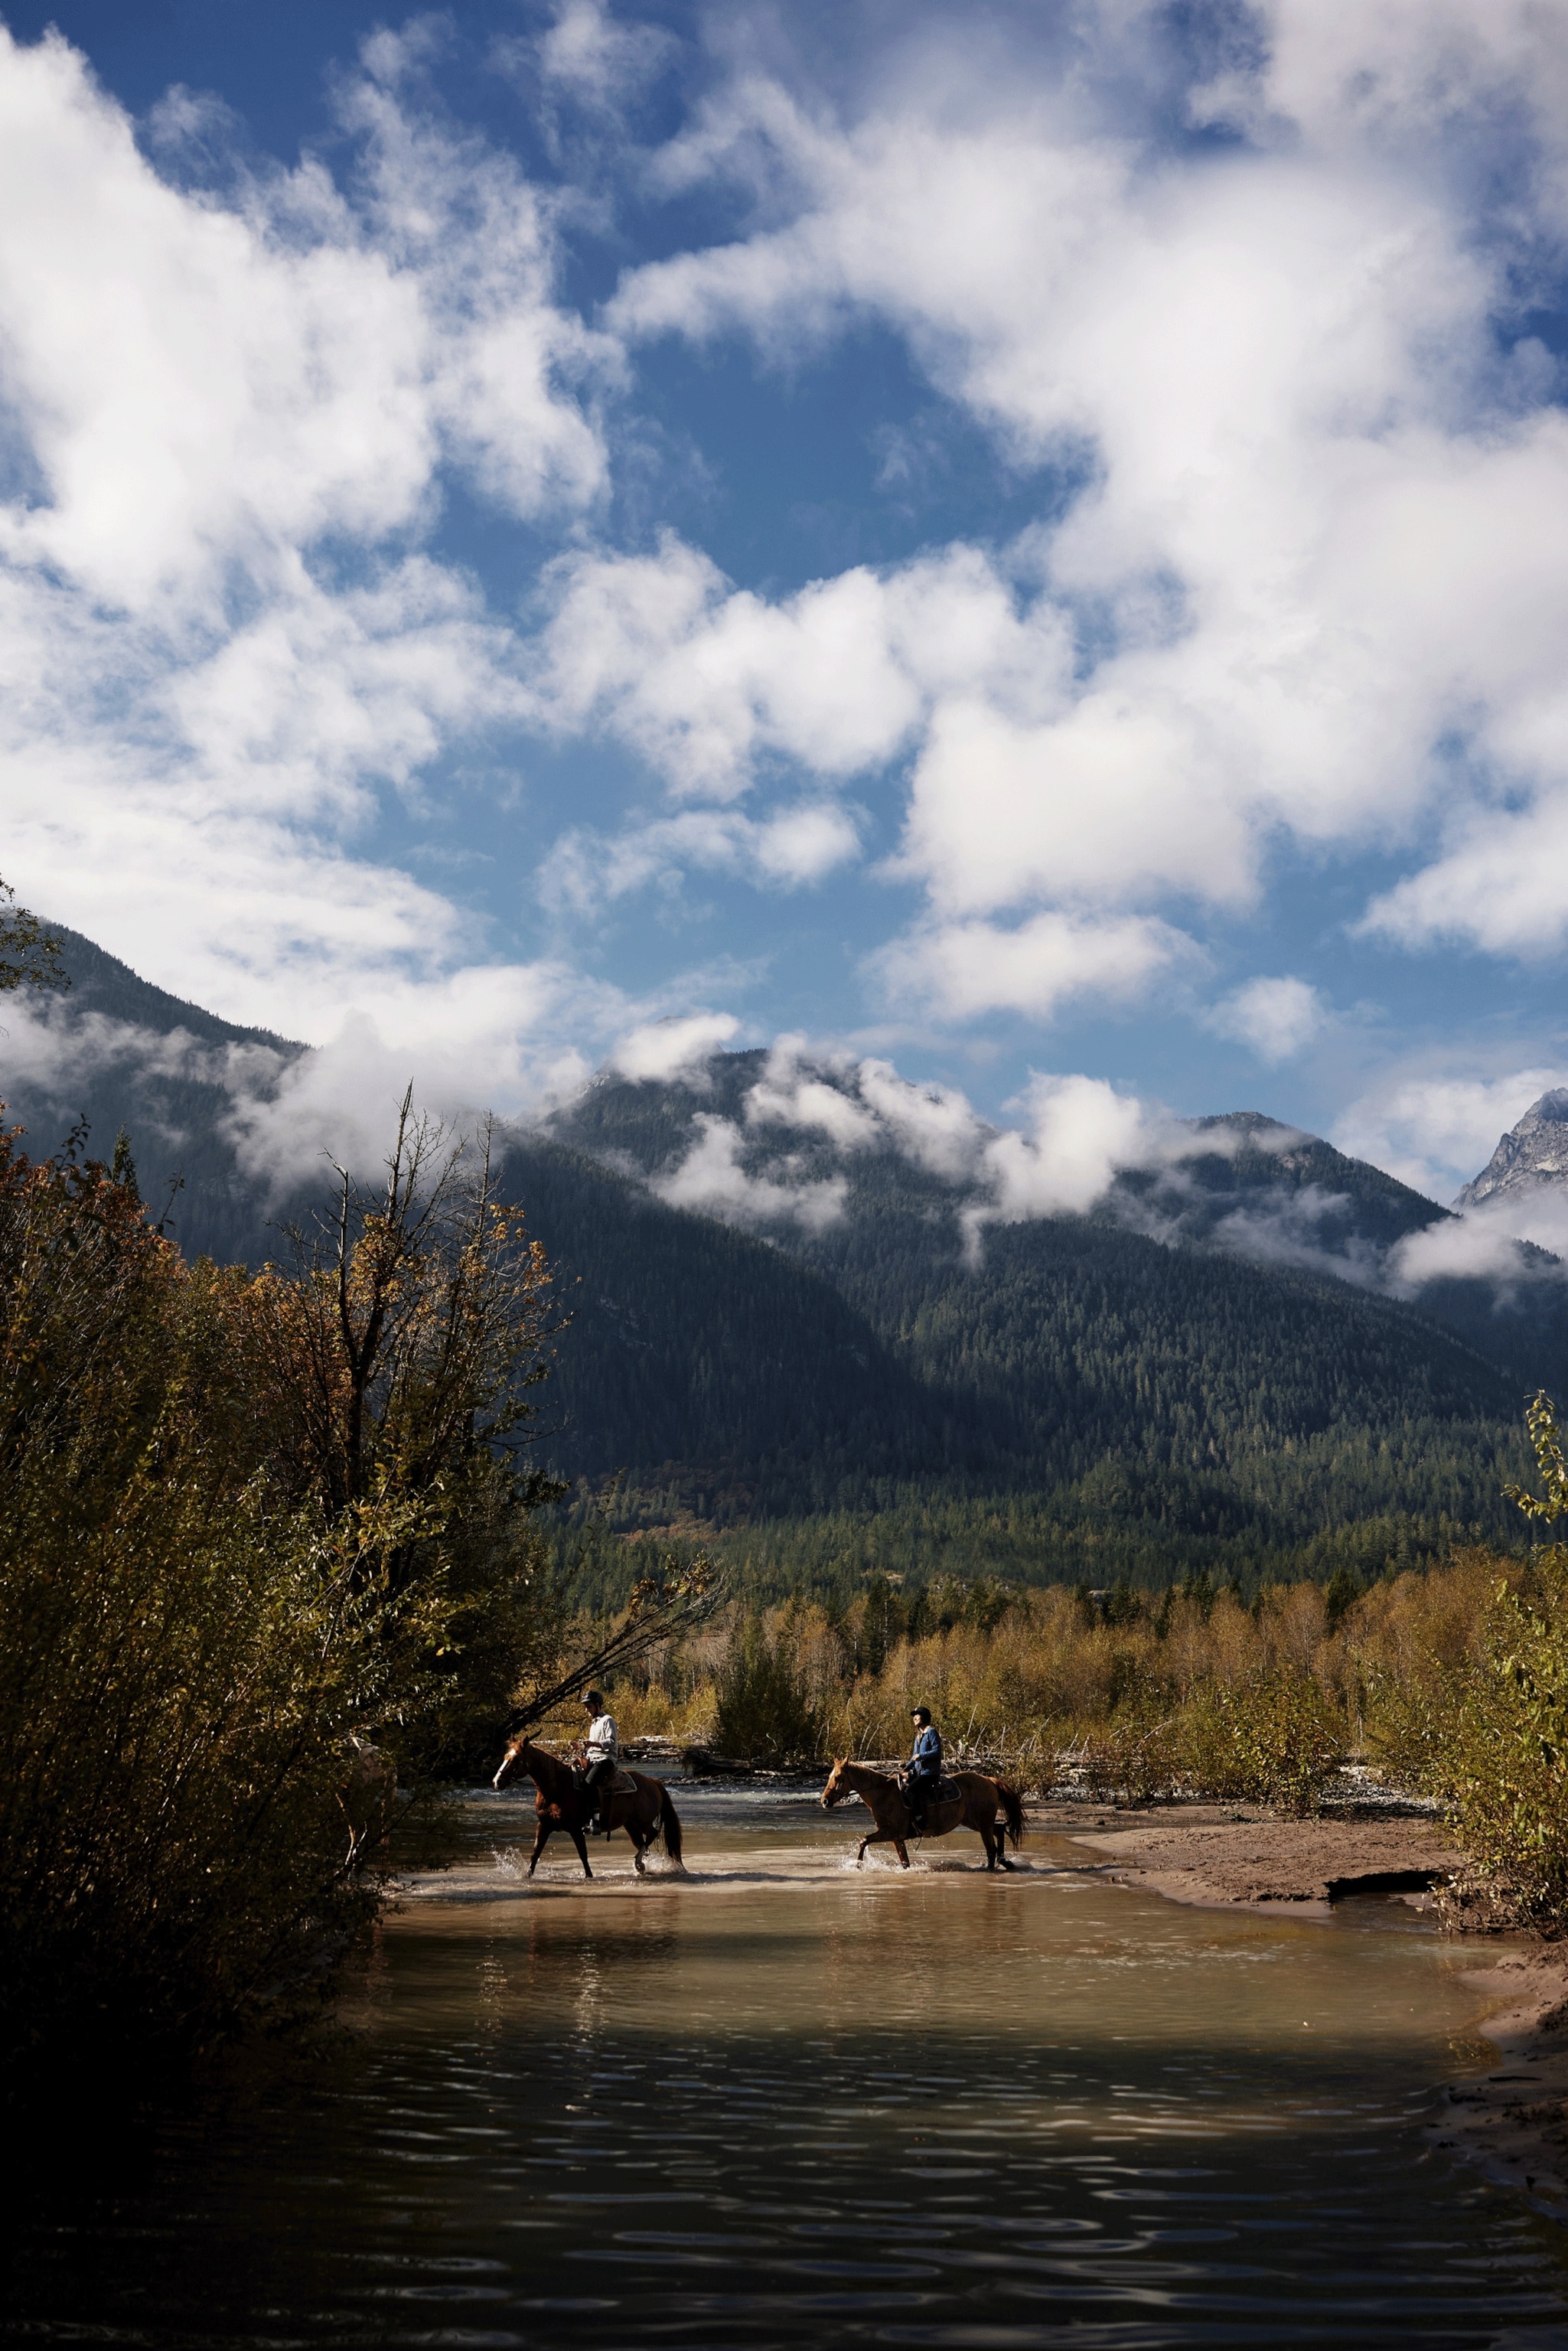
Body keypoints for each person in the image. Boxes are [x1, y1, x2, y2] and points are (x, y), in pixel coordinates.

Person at [580, 1690, 619, 1832]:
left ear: (598, 1705)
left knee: (589, 1783)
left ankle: (595, 1822)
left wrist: (593, 1744)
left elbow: (612, 1741)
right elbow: (591, 1746)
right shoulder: (594, 1723)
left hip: (606, 1759)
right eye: (586, 1707)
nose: (587, 1710)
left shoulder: (607, 1720)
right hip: (592, 1758)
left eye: (589, 1707)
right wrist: (581, 1748)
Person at [905, 1706, 942, 1834]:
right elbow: (914, 1756)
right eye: (914, 1715)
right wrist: (906, 1766)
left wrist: (922, 1756)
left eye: (917, 1715)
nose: (914, 1717)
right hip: (919, 1772)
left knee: (911, 1790)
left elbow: (937, 1751)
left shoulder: (931, 1732)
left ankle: (922, 1819)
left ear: (924, 1717)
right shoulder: (918, 1736)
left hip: (930, 1773)